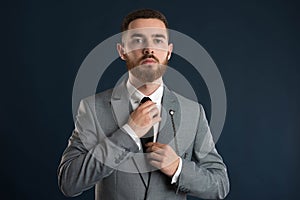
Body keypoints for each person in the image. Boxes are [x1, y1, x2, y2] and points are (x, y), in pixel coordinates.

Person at [58, 8, 230, 200]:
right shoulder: (92, 108)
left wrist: (178, 168)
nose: (149, 49)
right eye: (138, 40)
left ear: (169, 51)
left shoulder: (193, 112)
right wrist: (128, 133)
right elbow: (69, 182)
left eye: (158, 40)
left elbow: (220, 185)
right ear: (122, 51)